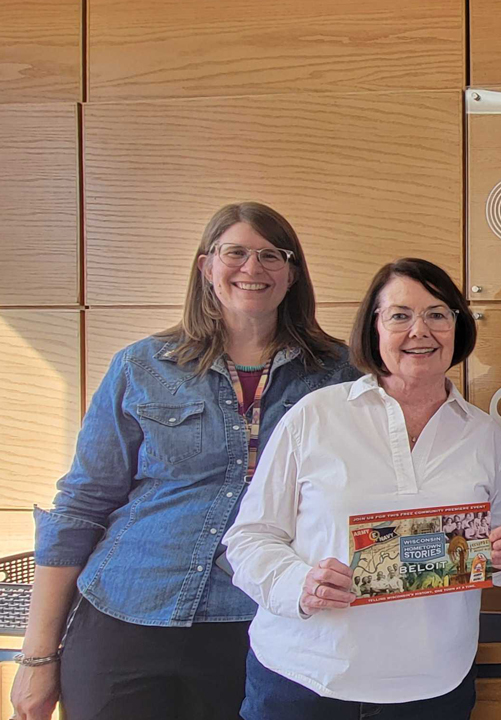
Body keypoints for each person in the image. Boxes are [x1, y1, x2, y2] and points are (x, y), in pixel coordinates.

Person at [13, 202, 357, 720]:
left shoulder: (340, 375)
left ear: (292, 274)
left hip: (260, 621)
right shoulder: (140, 365)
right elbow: (80, 507)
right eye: (235, 252)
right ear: (205, 268)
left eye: (271, 255)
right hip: (126, 609)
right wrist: (38, 657)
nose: (252, 268)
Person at [225, 258, 501, 720]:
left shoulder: (486, 436)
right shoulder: (315, 416)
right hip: (304, 681)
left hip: (434, 688)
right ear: (374, 328)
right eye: (400, 315)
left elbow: (500, 558)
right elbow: (248, 538)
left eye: (438, 314)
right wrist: (298, 585)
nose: (419, 331)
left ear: (458, 327)